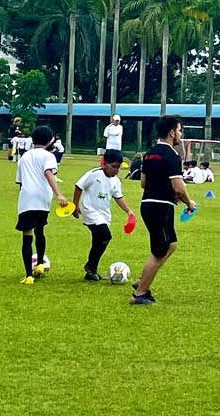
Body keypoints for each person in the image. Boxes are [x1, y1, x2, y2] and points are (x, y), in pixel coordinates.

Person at [130, 115, 195, 305]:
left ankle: (142, 281)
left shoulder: (149, 153)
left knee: (171, 244)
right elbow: (178, 187)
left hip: (148, 204)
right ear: (171, 133)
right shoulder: (172, 155)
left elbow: (143, 183)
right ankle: (140, 293)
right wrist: (189, 203)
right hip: (161, 206)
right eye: (180, 130)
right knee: (160, 250)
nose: (181, 134)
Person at [15, 125, 68, 285]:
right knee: (40, 231)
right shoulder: (49, 156)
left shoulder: (23, 157)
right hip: (43, 198)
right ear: (51, 140)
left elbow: (20, 182)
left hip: (27, 198)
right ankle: (39, 264)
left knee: (27, 237)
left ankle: (28, 275)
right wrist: (59, 194)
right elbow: (48, 173)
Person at [73, 149, 135, 281]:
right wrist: (75, 206)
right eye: (113, 167)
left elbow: (118, 197)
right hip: (90, 211)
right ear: (104, 164)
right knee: (105, 235)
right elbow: (79, 187)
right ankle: (90, 267)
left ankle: (91, 270)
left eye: (119, 167)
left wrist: (128, 210)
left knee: (100, 240)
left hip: (104, 214)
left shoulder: (116, 181)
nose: (116, 170)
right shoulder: (93, 174)